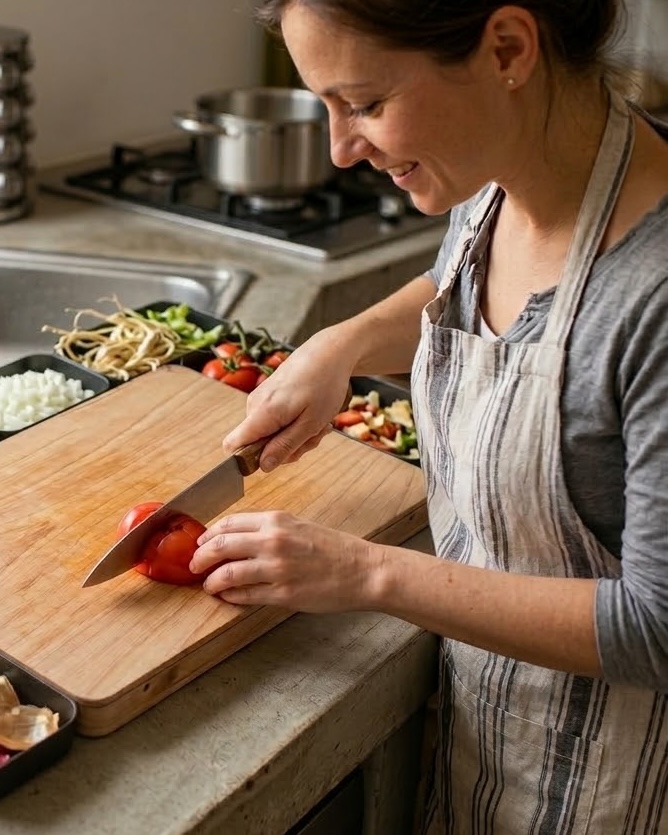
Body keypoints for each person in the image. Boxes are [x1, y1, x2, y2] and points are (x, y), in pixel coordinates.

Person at [188, 1, 668, 832]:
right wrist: (340, 345)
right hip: (488, 750)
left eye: (366, 104)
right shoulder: (500, 169)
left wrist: (367, 573)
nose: (342, 148)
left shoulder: (653, 296)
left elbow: (656, 626)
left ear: (509, 48)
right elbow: (467, 291)